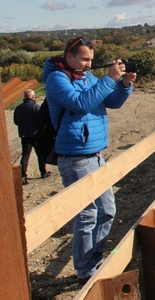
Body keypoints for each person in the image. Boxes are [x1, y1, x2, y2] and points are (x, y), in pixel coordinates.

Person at [42, 37, 137, 283]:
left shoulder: (86, 77)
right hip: (74, 157)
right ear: (69, 56)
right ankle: (85, 270)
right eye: (84, 59)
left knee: (107, 210)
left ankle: (95, 260)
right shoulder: (57, 79)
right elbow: (80, 103)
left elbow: (111, 102)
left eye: (91, 60)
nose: (88, 64)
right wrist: (109, 79)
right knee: (87, 214)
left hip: (95, 155)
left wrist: (124, 84)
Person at [13, 89, 49, 185]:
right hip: (35, 134)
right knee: (40, 153)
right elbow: (42, 120)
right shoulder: (35, 107)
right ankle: (43, 172)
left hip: (24, 135)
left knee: (25, 155)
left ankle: (23, 176)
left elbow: (16, 121)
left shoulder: (18, 108)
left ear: (24, 97)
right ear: (33, 97)